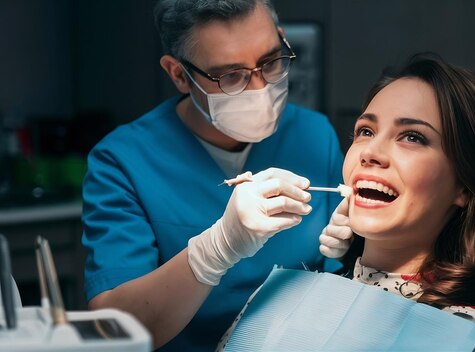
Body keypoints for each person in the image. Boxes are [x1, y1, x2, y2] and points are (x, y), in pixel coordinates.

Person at [81, 0, 344, 350]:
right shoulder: (123, 162)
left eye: (270, 62)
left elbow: (341, 283)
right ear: (178, 74)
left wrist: (357, 247)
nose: (259, 88)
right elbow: (112, 333)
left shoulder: (314, 135)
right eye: (231, 76)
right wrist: (215, 250)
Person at [221, 53, 475, 351]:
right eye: (366, 131)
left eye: (413, 137)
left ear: (465, 186)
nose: (370, 152)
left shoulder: (474, 335)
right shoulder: (279, 294)